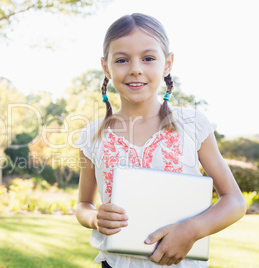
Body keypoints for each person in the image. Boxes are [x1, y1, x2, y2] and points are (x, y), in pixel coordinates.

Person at [75, 13, 247, 268]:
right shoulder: (92, 136)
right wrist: (93, 219)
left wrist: (192, 229)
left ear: (167, 63)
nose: (135, 68)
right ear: (105, 67)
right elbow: (83, 204)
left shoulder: (192, 125)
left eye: (148, 58)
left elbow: (234, 201)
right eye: (122, 59)